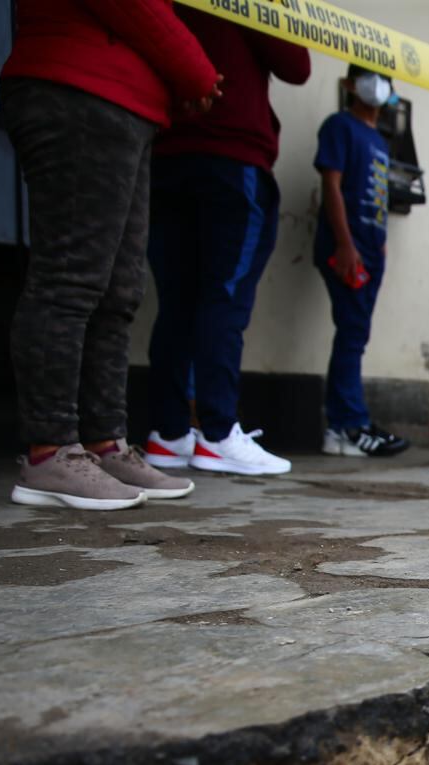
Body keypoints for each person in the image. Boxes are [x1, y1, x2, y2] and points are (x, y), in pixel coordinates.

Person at [1, 0, 220, 510]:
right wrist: (196, 71)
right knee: (70, 278)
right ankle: (48, 451)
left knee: (120, 292)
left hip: (129, 106)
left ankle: (105, 444)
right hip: (77, 88)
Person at [144, 9, 310, 475]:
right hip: (231, 156)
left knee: (178, 299)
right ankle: (217, 432)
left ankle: (169, 433)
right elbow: (296, 64)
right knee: (224, 296)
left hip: (168, 154)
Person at [312, 65, 411, 461]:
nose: (378, 83)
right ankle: (346, 425)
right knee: (352, 333)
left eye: (384, 77)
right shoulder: (339, 126)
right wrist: (345, 244)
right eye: (369, 75)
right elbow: (331, 185)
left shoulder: (380, 141)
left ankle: (348, 423)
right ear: (350, 85)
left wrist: (379, 245)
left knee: (357, 334)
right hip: (347, 249)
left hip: (372, 252)